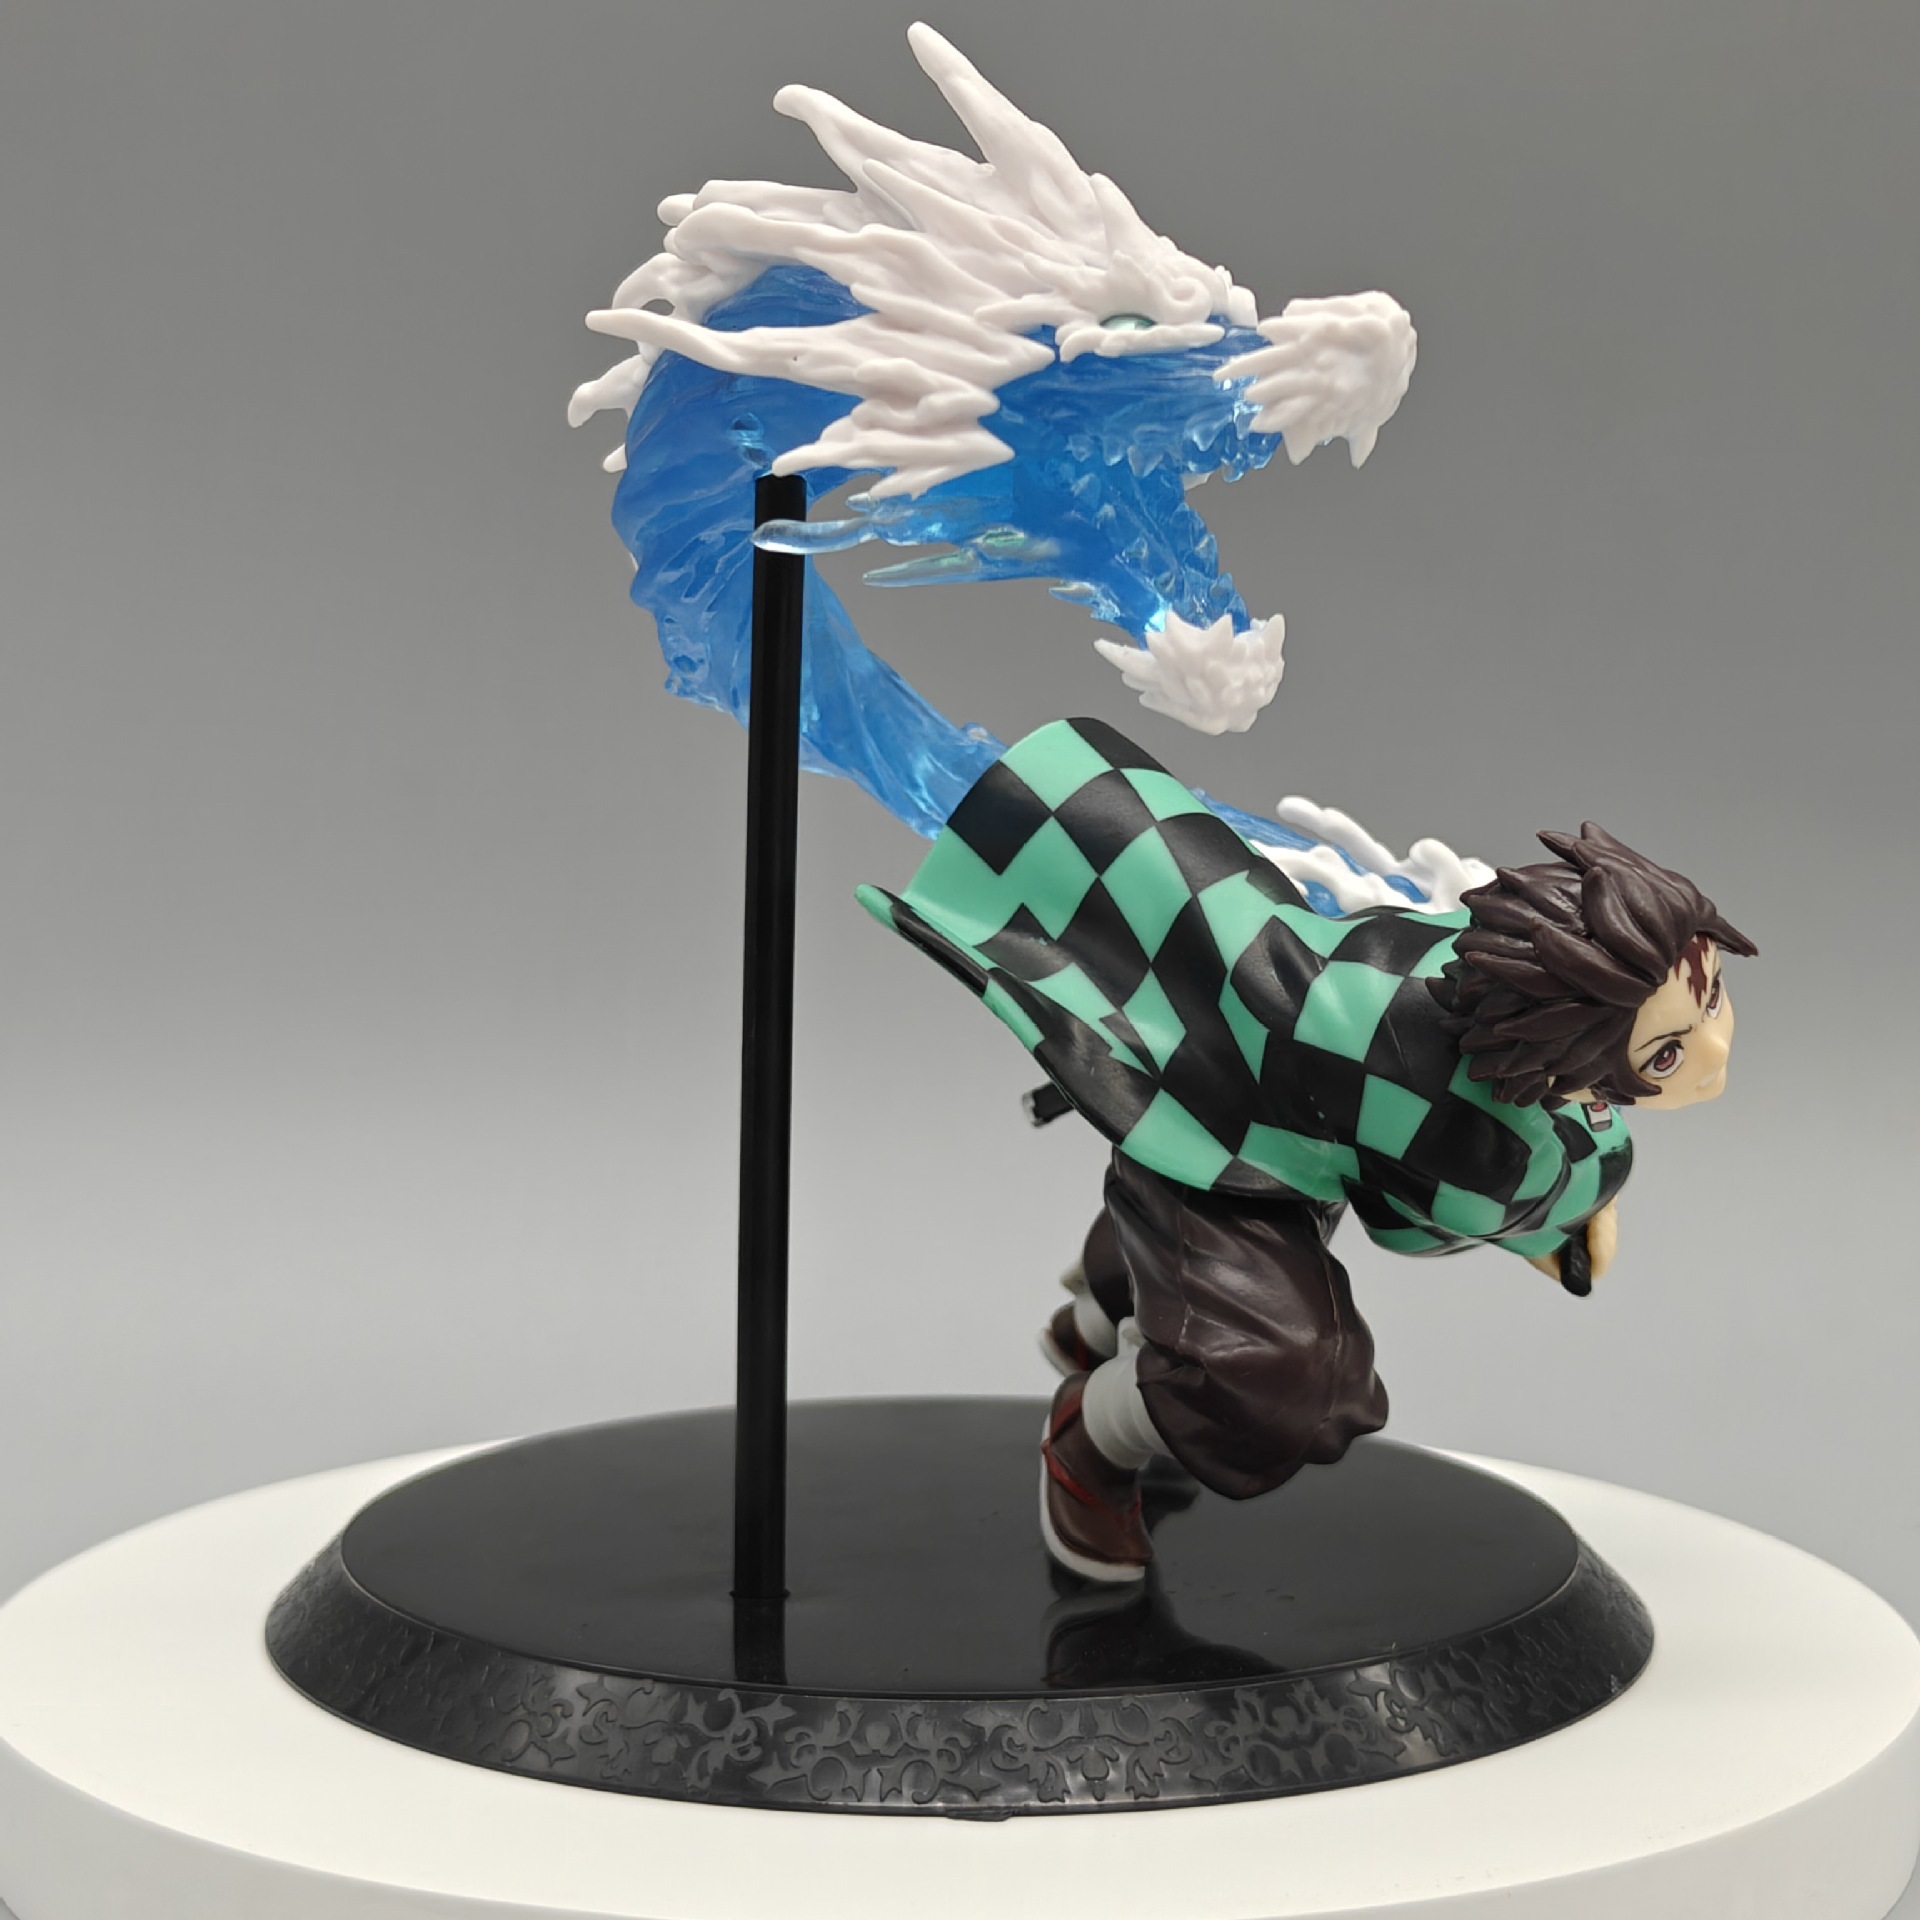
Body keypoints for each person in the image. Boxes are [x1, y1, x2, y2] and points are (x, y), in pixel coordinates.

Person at [859, 716, 1754, 1583]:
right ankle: (1090, 1437)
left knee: (1253, 1284)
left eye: (1710, 995)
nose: (1716, 1057)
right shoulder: (1489, 1137)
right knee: (1286, 1382)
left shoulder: (1486, 959)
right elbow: (1414, 1223)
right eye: (1668, 1054)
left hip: (1273, 1088)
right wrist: (1560, 1225)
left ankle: (1109, 1300)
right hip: (1226, 1131)